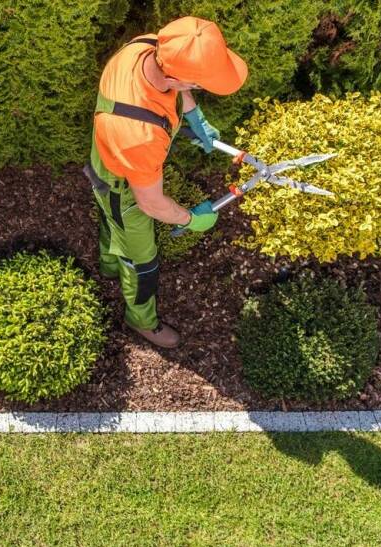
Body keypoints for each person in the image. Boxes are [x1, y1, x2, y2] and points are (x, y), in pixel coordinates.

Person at [84, 16, 248, 348]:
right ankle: (141, 320)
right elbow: (151, 204)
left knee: (108, 219)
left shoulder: (145, 47)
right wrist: (192, 218)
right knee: (141, 261)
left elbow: (176, 83)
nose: (196, 91)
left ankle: (107, 263)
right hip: (122, 188)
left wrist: (193, 114)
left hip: (106, 156)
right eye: (198, 85)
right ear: (175, 76)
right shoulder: (140, 136)